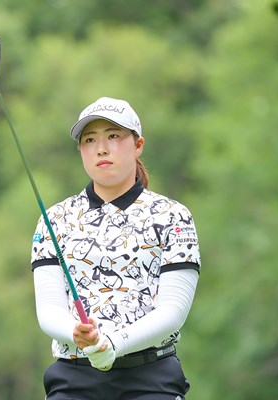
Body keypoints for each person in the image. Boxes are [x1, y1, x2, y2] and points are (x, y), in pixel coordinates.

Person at [31, 97, 201, 399]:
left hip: (150, 379)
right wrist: (76, 332)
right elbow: (49, 310)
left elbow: (172, 312)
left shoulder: (172, 216)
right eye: (90, 139)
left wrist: (114, 343)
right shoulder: (54, 219)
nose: (101, 148)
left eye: (113, 136)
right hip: (74, 379)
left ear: (138, 145)